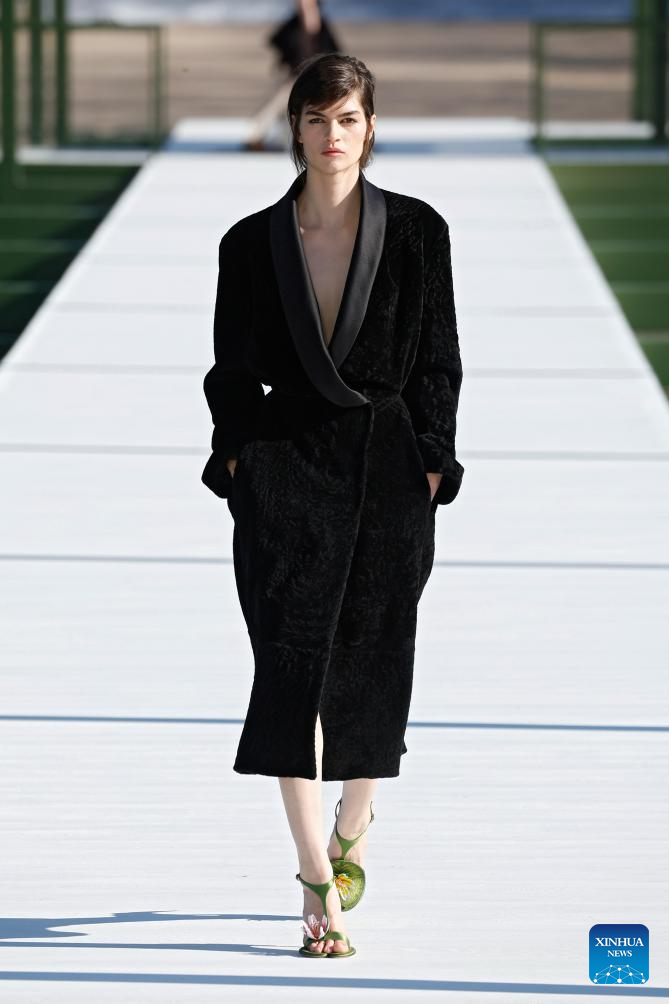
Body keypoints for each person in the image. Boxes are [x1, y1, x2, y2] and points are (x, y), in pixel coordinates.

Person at [202, 52, 465, 958]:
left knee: (373, 657)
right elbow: (230, 370)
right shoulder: (249, 243)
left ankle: (356, 818)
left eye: (347, 118)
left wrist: (430, 464)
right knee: (289, 666)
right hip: (284, 468)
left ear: (370, 127)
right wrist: (238, 461)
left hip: (389, 467)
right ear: (296, 128)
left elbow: (439, 361)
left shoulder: (418, 232)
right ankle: (315, 871)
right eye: (315, 119)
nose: (331, 135)